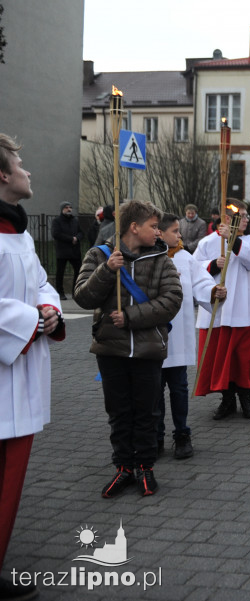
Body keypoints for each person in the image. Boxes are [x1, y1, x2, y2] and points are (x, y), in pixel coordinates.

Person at [74, 200, 183, 498]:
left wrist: (132, 317)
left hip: (148, 349)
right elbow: (82, 297)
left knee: (147, 411)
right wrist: (107, 271)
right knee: (119, 412)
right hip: (111, 349)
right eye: (153, 226)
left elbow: (172, 300)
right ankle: (123, 466)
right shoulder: (99, 254)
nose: (157, 232)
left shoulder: (162, 258)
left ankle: (145, 467)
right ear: (134, 227)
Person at [0, 134, 65, 599]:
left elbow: (43, 281)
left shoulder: (18, 232)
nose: (28, 170)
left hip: (20, 370)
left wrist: (49, 310)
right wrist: (29, 321)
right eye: (20, 163)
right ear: (2, 175)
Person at [156, 212, 224, 457]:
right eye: (174, 231)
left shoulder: (185, 258)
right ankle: (156, 435)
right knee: (153, 391)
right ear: (159, 233)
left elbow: (201, 283)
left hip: (179, 336)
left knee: (179, 388)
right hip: (153, 336)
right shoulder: (148, 257)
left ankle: (182, 434)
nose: (180, 234)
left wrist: (214, 291)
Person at [193, 203, 250, 419]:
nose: (245, 220)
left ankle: (246, 397)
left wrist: (233, 240)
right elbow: (194, 270)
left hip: (243, 309)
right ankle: (227, 400)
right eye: (240, 216)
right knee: (219, 359)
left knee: (241, 358)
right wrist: (213, 264)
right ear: (226, 217)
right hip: (217, 311)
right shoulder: (207, 242)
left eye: (246, 216)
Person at [50, 200, 82, 300]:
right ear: (62, 209)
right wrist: (70, 239)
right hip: (63, 251)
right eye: (66, 207)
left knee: (79, 271)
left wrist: (77, 238)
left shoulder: (75, 220)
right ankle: (60, 293)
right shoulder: (57, 221)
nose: (69, 209)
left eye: (70, 207)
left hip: (74, 251)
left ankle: (75, 292)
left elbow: (81, 232)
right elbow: (56, 234)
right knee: (60, 273)